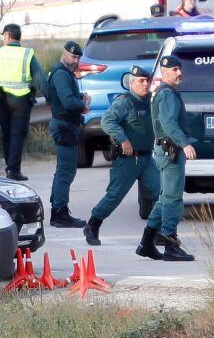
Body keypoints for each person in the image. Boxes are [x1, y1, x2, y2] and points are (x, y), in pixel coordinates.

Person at [83, 65, 160, 245]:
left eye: (147, 81)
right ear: (131, 83)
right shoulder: (124, 102)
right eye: (141, 81)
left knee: (160, 192)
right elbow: (107, 121)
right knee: (115, 196)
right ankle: (93, 224)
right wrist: (123, 139)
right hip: (128, 160)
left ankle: (158, 232)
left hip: (147, 157)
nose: (145, 84)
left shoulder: (151, 100)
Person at [136, 56, 196, 262]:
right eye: (175, 69)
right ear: (164, 71)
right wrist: (184, 143)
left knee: (164, 199)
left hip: (164, 150)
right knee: (172, 199)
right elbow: (168, 123)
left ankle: (146, 243)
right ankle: (170, 245)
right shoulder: (167, 94)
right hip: (171, 151)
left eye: (180, 69)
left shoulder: (161, 92)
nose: (179, 73)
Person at [0, 23, 47, 181]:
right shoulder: (27, 54)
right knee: (18, 134)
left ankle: (9, 168)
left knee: (7, 134)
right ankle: (13, 170)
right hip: (21, 99)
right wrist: (49, 98)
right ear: (18, 37)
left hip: (0, 99)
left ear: (7, 36)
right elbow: (40, 78)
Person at [46, 41, 90, 228]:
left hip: (66, 126)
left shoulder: (62, 73)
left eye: (78, 57)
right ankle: (60, 212)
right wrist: (83, 103)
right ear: (64, 55)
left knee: (63, 171)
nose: (76, 60)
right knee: (66, 171)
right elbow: (68, 102)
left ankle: (58, 210)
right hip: (64, 127)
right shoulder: (61, 75)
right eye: (73, 56)